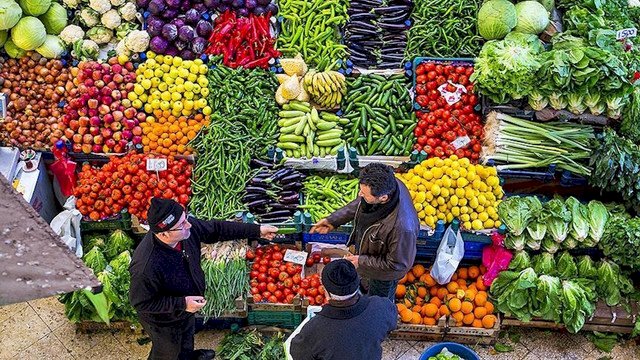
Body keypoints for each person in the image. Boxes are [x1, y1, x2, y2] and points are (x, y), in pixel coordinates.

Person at [129, 197, 278, 360]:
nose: (189, 225)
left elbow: (216, 229)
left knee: (186, 338)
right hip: (164, 320)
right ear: (164, 233)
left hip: (185, 309)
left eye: (185, 218)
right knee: (168, 351)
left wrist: (257, 230)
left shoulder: (184, 231)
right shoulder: (146, 265)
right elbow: (141, 303)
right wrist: (182, 303)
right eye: (182, 225)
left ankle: (189, 356)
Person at [311, 163, 419, 300]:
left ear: (383, 198)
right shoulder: (390, 184)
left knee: (378, 302)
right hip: (371, 255)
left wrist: (361, 261)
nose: (359, 194)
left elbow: (397, 265)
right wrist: (333, 220)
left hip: (384, 275)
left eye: (364, 193)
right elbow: (361, 202)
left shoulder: (402, 228)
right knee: (366, 286)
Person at [288, 259, 397, 360]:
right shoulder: (382, 307)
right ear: (357, 283)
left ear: (326, 290)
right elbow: (392, 323)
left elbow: (297, 353)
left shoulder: (313, 330)